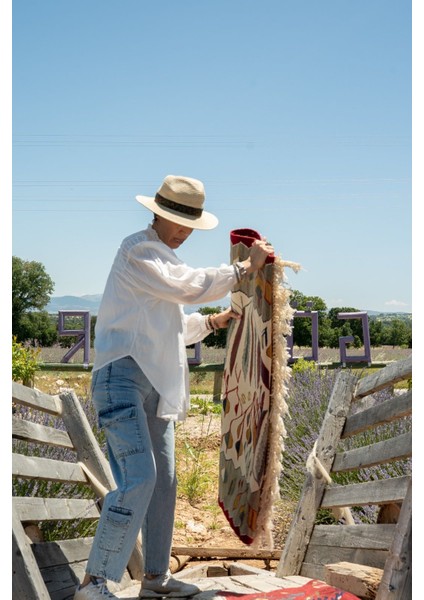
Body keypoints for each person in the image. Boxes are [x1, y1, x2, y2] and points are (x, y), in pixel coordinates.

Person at [74, 175, 274, 600]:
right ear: (158, 215)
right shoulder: (140, 250)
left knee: (164, 481)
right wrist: (244, 268)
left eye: (190, 227)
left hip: (154, 385)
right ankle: (95, 582)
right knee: (139, 479)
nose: (184, 233)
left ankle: (155, 579)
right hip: (122, 379)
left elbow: (172, 325)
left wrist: (214, 322)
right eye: (178, 223)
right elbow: (185, 286)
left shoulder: (161, 261)